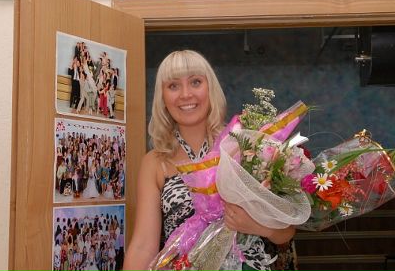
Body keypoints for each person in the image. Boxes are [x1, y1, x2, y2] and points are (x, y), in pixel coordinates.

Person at [122, 50, 297, 271]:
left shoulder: (245, 146)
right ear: (163, 98)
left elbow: (286, 232)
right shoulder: (155, 162)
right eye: (173, 86)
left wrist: (258, 226)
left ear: (210, 88)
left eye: (195, 82)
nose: (186, 94)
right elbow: (143, 246)